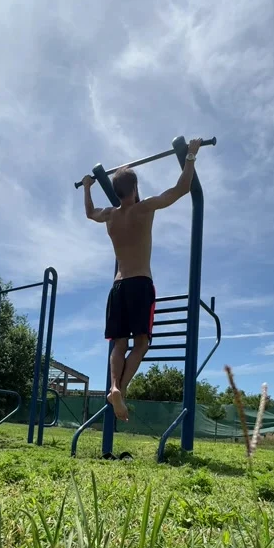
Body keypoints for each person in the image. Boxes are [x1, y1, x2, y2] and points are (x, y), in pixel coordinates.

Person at [82, 138, 202, 421]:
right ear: (134, 189)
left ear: (115, 191)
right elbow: (182, 188)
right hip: (139, 284)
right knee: (142, 343)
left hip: (117, 286)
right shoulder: (144, 208)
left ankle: (113, 387)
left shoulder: (110, 215)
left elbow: (89, 212)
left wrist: (87, 187)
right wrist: (191, 156)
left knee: (119, 344)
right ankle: (120, 389)